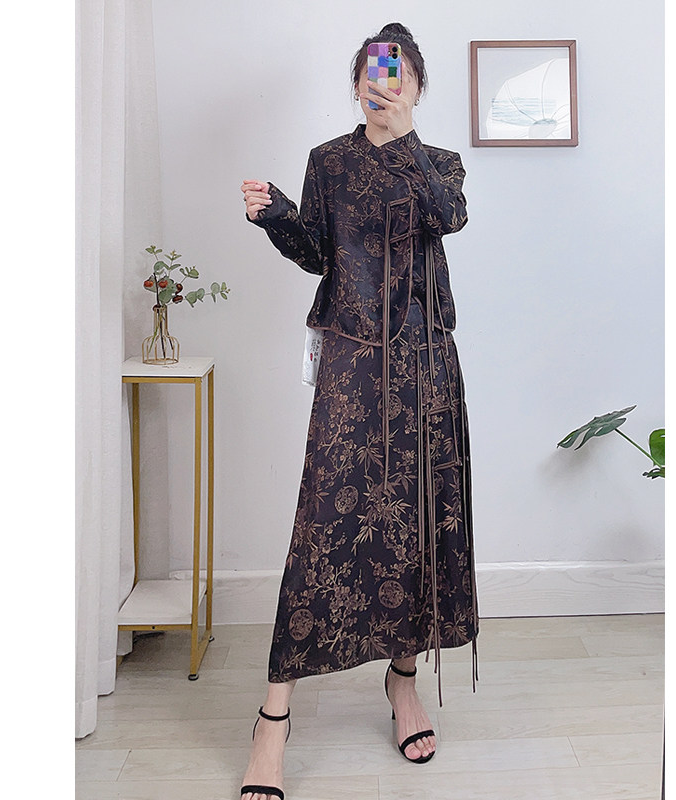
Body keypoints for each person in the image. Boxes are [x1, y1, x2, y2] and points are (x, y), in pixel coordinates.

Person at [239, 22, 478, 800]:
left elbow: (449, 216)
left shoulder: (439, 163)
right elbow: (319, 253)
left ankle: (402, 683)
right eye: (375, 71)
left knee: (419, 521)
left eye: (399, 72)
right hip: (350, 358)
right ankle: (273, 720)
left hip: (424, 363)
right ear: (356, 83)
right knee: (323, 524)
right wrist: (278, 214)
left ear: (417, 86)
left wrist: (405, 143)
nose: (385, 82)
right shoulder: (329, 162)